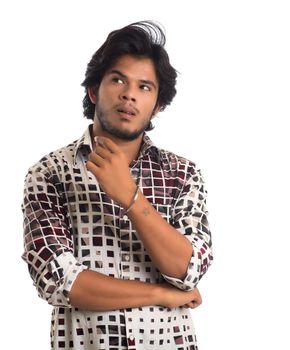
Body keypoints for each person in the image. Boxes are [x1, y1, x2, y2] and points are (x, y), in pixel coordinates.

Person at [21, 20, 213, 350]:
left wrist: (129, 196)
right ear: (94, 90)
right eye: (118, 80)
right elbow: (57, 280)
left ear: (158, 105)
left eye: (145, 87)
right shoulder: (49, 172)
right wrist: (161, 295)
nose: (129, 94)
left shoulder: (182, 174)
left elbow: (189, 268)